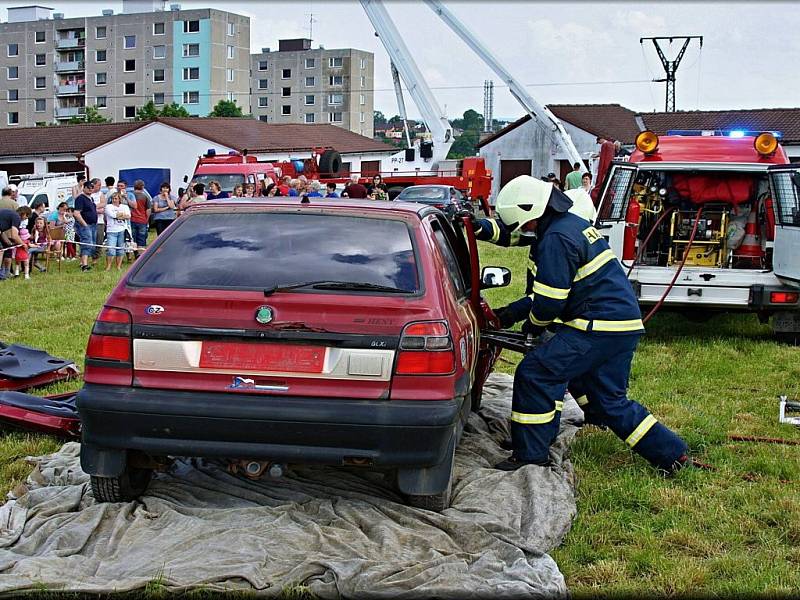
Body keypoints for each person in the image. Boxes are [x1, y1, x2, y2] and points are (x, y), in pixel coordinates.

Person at [476, 175, 689, 474]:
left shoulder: (556, 239)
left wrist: (533, 328)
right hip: (621, 325)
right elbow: (513, 235)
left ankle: (530, 455)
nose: (523, 231)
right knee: (609, 401)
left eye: (524, 223)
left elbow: (549, 303)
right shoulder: (566, 224)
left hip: (596, 326)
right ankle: (672, 455)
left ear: (532, 213)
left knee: (537, 372)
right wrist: (477, 226)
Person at [73, 180, 98, 272]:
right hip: (84, 225)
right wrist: (84, 224)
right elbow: (76, 213)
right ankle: (84, 265)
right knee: (87, 243)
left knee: (91, 244)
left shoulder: (91, 198)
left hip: (93, 224)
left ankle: (82, 262)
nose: (91, 189)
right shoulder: (80, 198)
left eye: (92, 187)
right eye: (89, 187)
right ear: (84, 188)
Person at [0, 206, 30, 280]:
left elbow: (1, 232)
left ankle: (3, 274)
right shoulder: (16, 217)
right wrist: (23, 244)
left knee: (3, 248)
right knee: (0, 251)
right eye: (26, 217)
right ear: (24, 214)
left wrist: (8, 243)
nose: (25, 219)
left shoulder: (10, 214)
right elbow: (14, 235)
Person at [104, 192, 131, 271]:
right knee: (111, 250)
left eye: (116, 198)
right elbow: (112, 215)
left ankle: (118, 266)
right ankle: (108, 266)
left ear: (120, 199)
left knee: (121, 250)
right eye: (113, 198)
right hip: (111, 231)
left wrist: (119, 215)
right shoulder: (108, 207)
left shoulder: (125, 207)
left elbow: (128, 216)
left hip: (122, 230)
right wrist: (122, 215)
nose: (114, 200)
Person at [130, 180, 152, 257]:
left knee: (132, 237)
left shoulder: (130, 195)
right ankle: (140, 255)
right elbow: (148, 209)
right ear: (142, 187)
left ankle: (134, 253)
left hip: (131, 219)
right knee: (142, 238)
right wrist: (147, 219)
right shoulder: (145, 196)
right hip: (142, 220)